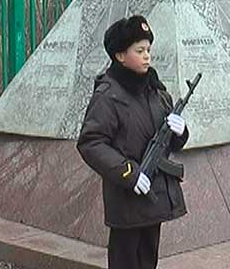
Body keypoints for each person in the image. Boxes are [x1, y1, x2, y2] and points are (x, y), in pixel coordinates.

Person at [77, 16, 189, 269]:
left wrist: (180, 132)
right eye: (139, 51)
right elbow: (91, 143)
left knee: (148, 261)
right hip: (126, 200)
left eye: (148, 49)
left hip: (154, 198)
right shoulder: (108, 95)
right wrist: (129, 173)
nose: (147, 56)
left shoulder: (156, 91)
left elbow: (170, 142)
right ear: (120, 56)